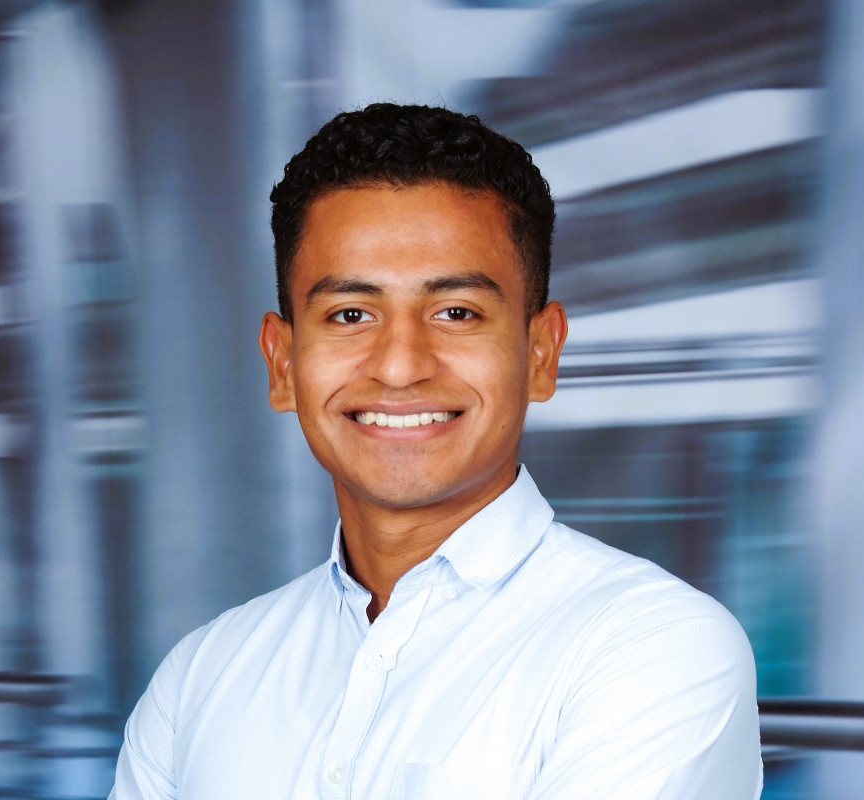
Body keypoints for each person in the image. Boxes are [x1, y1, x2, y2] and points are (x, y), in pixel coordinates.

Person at [109, 103, 763, 799]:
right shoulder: (201, 677)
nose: (399, 366)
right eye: (350, 314)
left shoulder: (654, 646)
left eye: (456, 312)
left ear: (541, 354)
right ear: (283, 363)